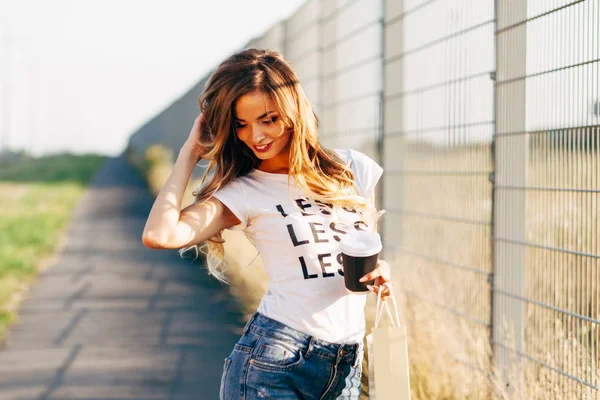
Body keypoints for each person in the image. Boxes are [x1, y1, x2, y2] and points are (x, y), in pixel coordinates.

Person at [142, 48, 393, 400]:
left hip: (346, 363)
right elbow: (160, 235)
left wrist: (378, 274)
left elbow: (360, 249)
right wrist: (190, 152)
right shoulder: (245, 192)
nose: (255, 136)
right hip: (275, 363)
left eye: (268, 119)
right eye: (241, 125)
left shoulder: (351, 169)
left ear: (293, 112)